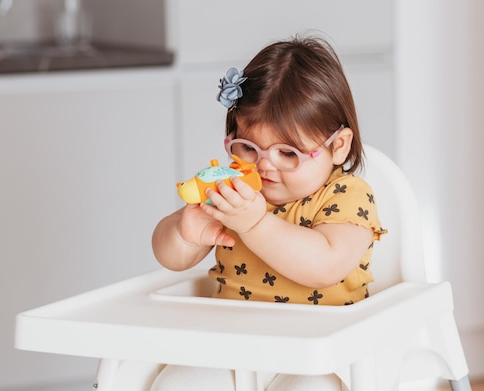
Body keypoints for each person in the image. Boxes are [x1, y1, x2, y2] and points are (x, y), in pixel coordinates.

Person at [151, 35, 386, 391]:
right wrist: (185, 232)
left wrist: (257, 224)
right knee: (176, 384)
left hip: (318, 356)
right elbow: (170, 257)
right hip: (232, 345)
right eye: (248, 148)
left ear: (338, 146)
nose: (265, 167)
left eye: (287, 153)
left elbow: (325, 265)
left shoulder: (348, 196)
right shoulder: (235, 195)